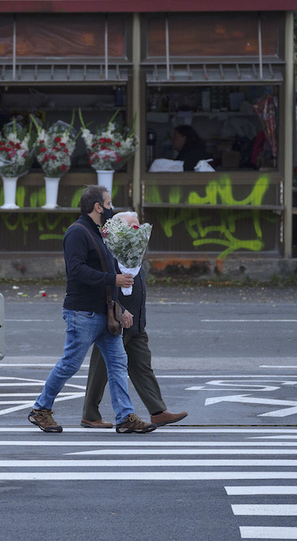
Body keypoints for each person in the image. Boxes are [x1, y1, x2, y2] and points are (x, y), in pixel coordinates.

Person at [29, 186, 156, 435]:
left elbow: (105, 273)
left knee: (118, 364)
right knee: (70, 364)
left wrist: (120, 306)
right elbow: (75, 270)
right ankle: (40, 409)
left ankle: (125, 417)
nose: (111, 208)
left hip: (105, 312)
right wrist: (114, 279)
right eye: (108, 203)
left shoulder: (99, 233)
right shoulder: (77, 232)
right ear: (98, 207)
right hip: (83, 313)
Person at [81, 212, 189, 429]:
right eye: (132, 227)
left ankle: (157, 411)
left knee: (142, 366)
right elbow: (103, 288)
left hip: (136, 324)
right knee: (100, 370)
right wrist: (121, 310)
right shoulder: (108, 253)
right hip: (115, 322)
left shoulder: (133, 252)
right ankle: (90, 414)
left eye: (138, 226)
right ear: (119, 231)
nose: (137, 231)